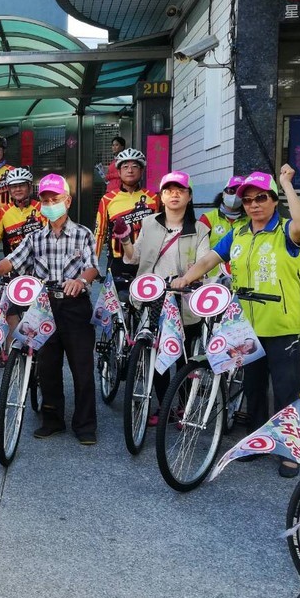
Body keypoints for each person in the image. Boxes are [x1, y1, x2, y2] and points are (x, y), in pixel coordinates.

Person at [171, 165, 300, 478]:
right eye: (248, 200)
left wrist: (287, 184)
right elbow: (210, 259)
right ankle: (258, 441)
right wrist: (186, 278)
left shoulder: (286, 230)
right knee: (253, 388)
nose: (253, 205)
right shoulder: (239, 233)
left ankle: (290, 450)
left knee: (287, 390)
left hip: (282, 324)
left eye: (261, 198)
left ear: (274, 199)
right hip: (246, 324)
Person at [0, 174, 100, 445]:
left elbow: (92, 266)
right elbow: (12, 260)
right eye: (45, 200)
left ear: (67, 201)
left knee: (82, 367)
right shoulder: (34, 238)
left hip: (75, 306)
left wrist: (80, 281)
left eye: (55, 199)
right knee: (47, 366)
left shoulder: (83, 234)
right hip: (44, 307)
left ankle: (85, 425)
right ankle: (52, 419)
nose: (50, 204)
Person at [120, 171, 210, 424]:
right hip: (153, 297)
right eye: (169, 191)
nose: (174, 195)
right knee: (156, 352)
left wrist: (188, 279)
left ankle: (182, 406)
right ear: (161, 197)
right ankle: (164, 406)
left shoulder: (200, 229)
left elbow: (204, 262)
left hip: (184, 300)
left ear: (189, 196)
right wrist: (125, 240)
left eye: (180, 190)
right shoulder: (149, 223)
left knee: (182, 356)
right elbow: (135, 257)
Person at [0, 167, 47, 356]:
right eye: (13, 187)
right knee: (11, 313)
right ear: (9, 190)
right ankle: (12, 354)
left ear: (29, 187)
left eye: (21, 186)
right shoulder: (3, 212)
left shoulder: (41, 209)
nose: (17, 189)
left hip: (38, 270)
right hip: (13, 268)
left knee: (38, 313)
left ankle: (37, 350)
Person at [94, 148, 158, 285]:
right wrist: (93, 264)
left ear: (142, 170)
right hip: (117, 263)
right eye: (125, 167)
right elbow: (99, 234)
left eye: (135, 166)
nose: (130, 170)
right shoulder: (107, 199)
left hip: (147, 262)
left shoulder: (153, 198)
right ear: (119, 172)